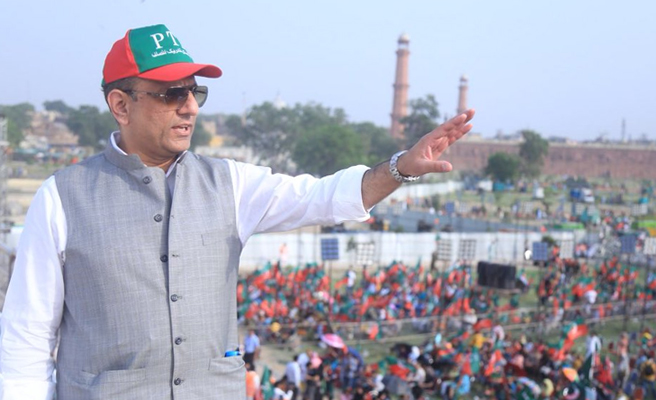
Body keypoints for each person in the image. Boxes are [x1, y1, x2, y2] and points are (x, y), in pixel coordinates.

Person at [0, 24, 475, 400]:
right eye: (170, 94)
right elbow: (26, 338)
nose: (189, 107)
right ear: (120, 105)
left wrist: (400, 168)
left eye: (194, 93)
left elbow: (323, 195)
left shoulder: (229, 183)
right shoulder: (63, 197)